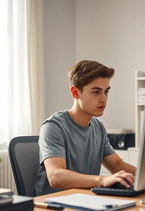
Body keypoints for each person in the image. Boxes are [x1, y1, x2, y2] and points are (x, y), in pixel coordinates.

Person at [35, 60, 136, 196]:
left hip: (85, 200)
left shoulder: (98, 127)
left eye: (106, 92)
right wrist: (103, 180)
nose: (103, 99)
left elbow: (117, 165)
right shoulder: (53, 127)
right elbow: (55, 176)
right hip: (55, 204)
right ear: (75, 92)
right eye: (96, 92)